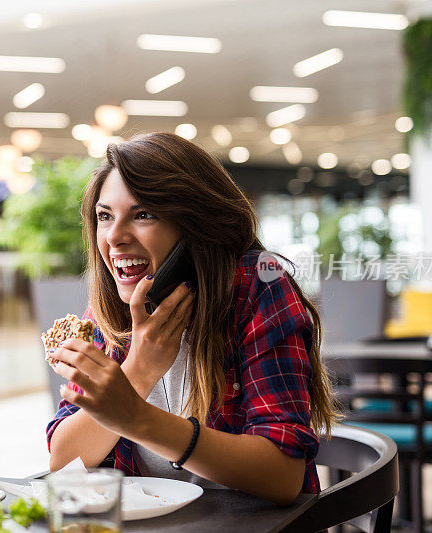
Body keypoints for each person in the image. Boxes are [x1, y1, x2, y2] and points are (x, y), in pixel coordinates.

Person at [46, 132, 339, 505]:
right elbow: (63, 460)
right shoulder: (113, 309)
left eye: (143, 214)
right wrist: (137, 371)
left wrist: (139, 419)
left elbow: (282, 474)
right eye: (105, 216)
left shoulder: (257, 288)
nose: (114, 237)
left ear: (196, 223)